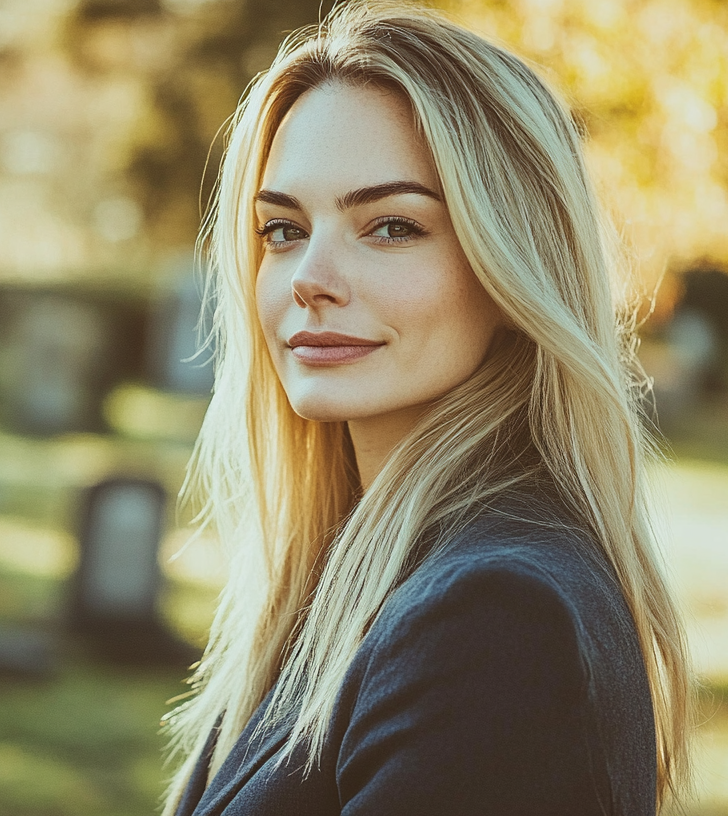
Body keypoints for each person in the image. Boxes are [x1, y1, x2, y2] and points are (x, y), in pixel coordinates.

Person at [161, 3, 691, 816]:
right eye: (282, 228)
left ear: (512, 265)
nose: (310, 275)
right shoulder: (359, 571)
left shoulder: (496, 617)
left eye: (392, 226)